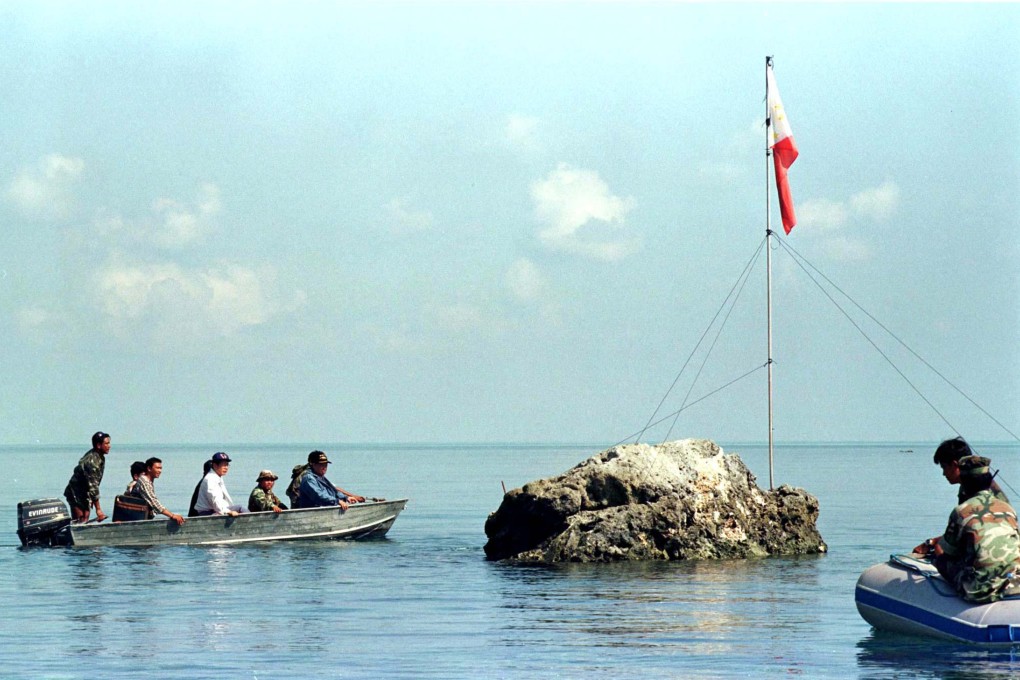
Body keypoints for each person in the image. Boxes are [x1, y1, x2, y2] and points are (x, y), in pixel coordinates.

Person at [913, 455, 1020, 603]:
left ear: (965, 483)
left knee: (940, 553)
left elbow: (949, 551)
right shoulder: (1008, 509)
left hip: (979, 588)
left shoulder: (961, 511)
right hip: (1015, 581)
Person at [914, 437, 1010, 552]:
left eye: (944, 467)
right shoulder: (972, 486)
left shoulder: (978, 490)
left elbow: (974, 531)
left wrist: (932, 543)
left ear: (955, 465)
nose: (944, 473)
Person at [289, 450, 365, 509]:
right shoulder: (309, 479)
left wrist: (346, 498)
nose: (324, 467)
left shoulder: (320, 477)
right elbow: (319, 496)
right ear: (313, 464)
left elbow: (333, 491)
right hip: (312, 512)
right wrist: (337, 501)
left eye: (326, 464)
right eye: (321, 464)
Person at [63, 431, 111, 523]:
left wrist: (92, 499)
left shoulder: (99, 457)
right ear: (98, 445)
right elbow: (93, 486)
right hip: (75, 493)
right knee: (79, 520)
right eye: (106, 443)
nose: (109, 446)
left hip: (85, 493)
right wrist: (98, 510)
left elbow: (94, 483)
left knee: (85, 518)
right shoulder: (92, 461)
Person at [127, 457, 186, 525]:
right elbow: (154, 503)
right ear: (149, 468)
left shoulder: (148, 481)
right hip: (136, 518)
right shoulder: (144, 481)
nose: (160, 471)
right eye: (157, 468)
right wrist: (172, 515)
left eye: (160, 468)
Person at [193, 452, 246, 516]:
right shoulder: (210, 479)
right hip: (207, 512)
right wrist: (227, 512)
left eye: (227, 465)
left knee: (240, 508)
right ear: (215, 465)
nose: (226, 467)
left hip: (216, 509)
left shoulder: (217, 476)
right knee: (238, 510)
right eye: (223, 465)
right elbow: (214, 499)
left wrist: (228, 510)